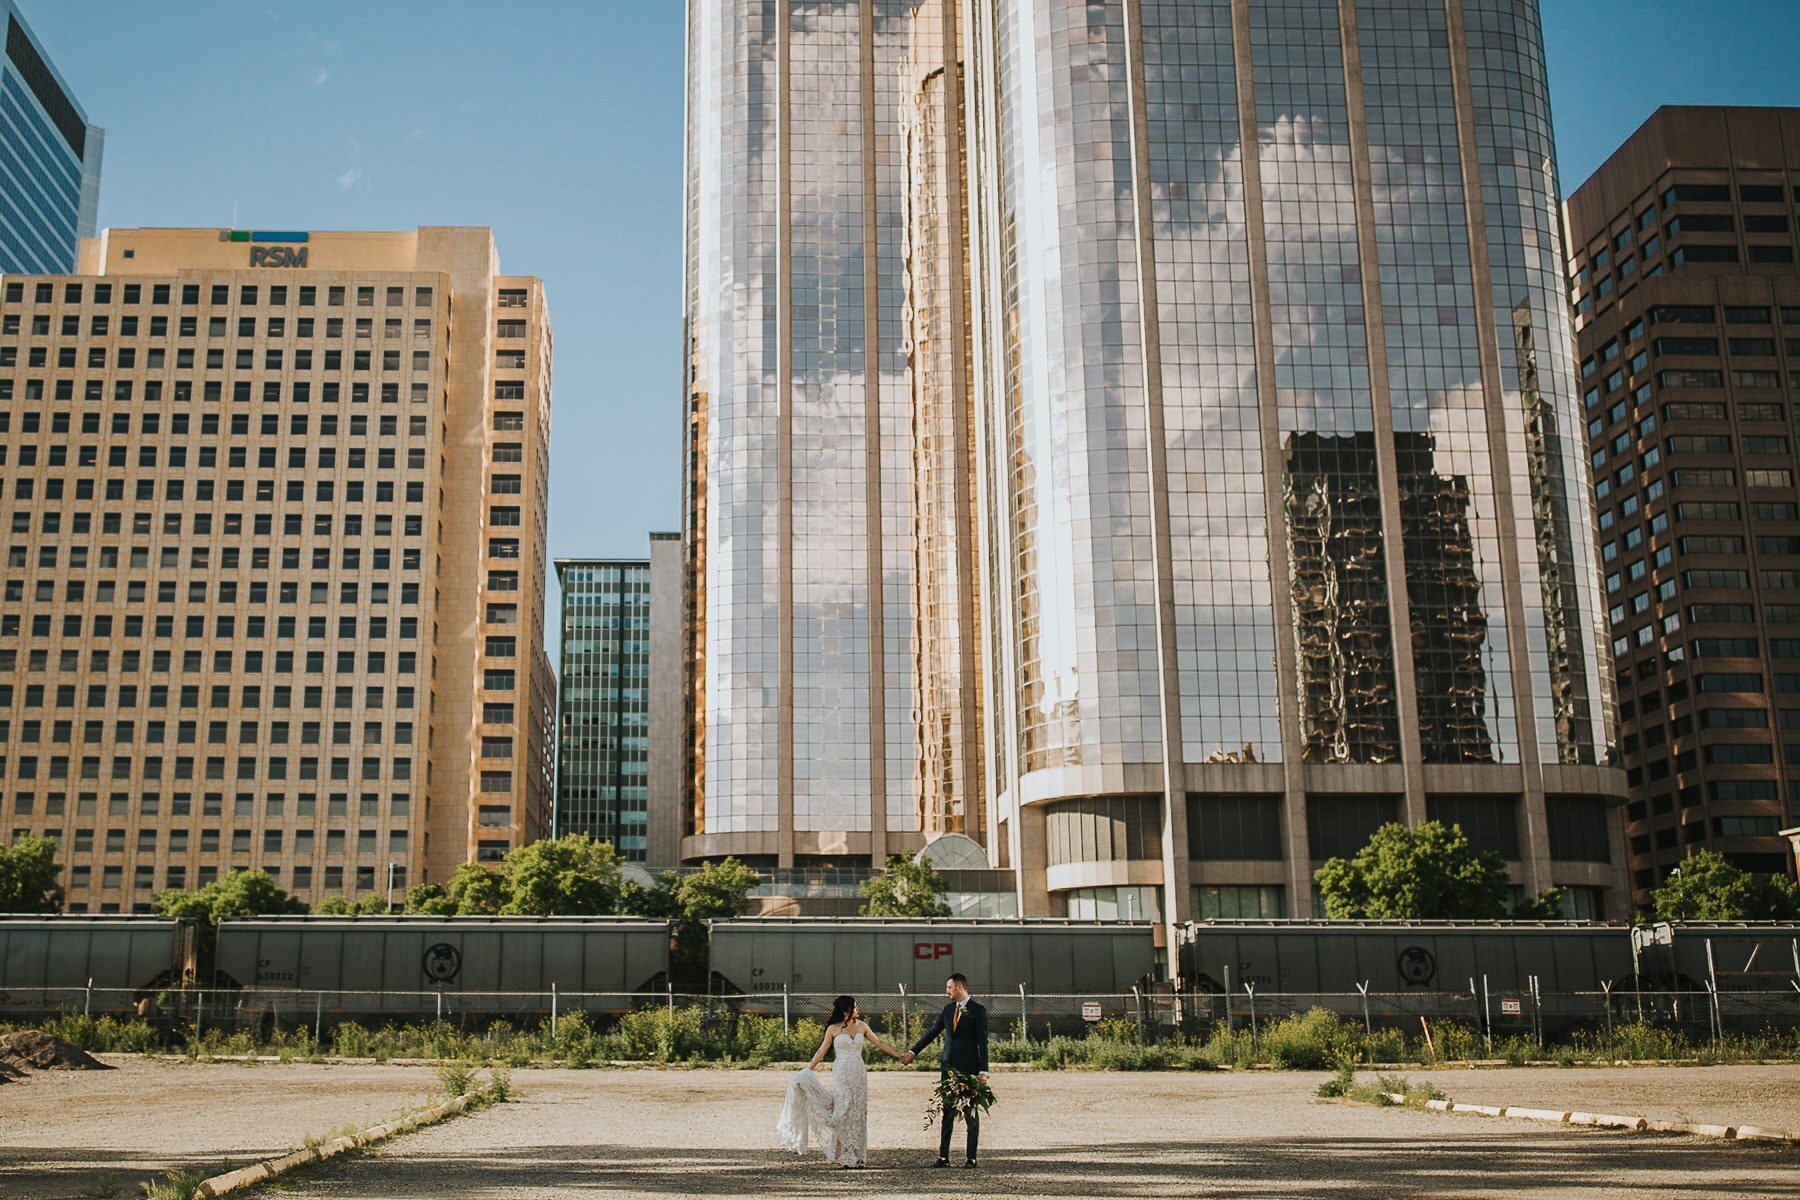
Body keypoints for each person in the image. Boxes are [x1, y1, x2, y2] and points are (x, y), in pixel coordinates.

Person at [776, 994, 907, 1168]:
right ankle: (840, 1154)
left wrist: (900, 1056)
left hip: (858, 1073)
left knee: (858, 1111)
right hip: (842, 1073)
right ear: (847, 1011)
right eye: (855, 1007)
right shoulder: (833, 1029)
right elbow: (821, 1052)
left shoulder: (862, 1026)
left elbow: (879, 1043)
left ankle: (857, 1154)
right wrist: (808, 1070)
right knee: (843, 1110)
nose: (858, 1009)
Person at [901, 972, 991, 1168]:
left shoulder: (978, 1010)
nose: (947, 991)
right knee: (947, 1112)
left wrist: (983, 1070)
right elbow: (932, 1032)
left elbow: (983, 1042)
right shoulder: (948, 1010)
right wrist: (912, 1052)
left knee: (970, 1112)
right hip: (948, 1069)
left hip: (969, 1070)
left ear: (959, 987)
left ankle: (971, 1158)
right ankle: (943, 1156)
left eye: (949, 987)